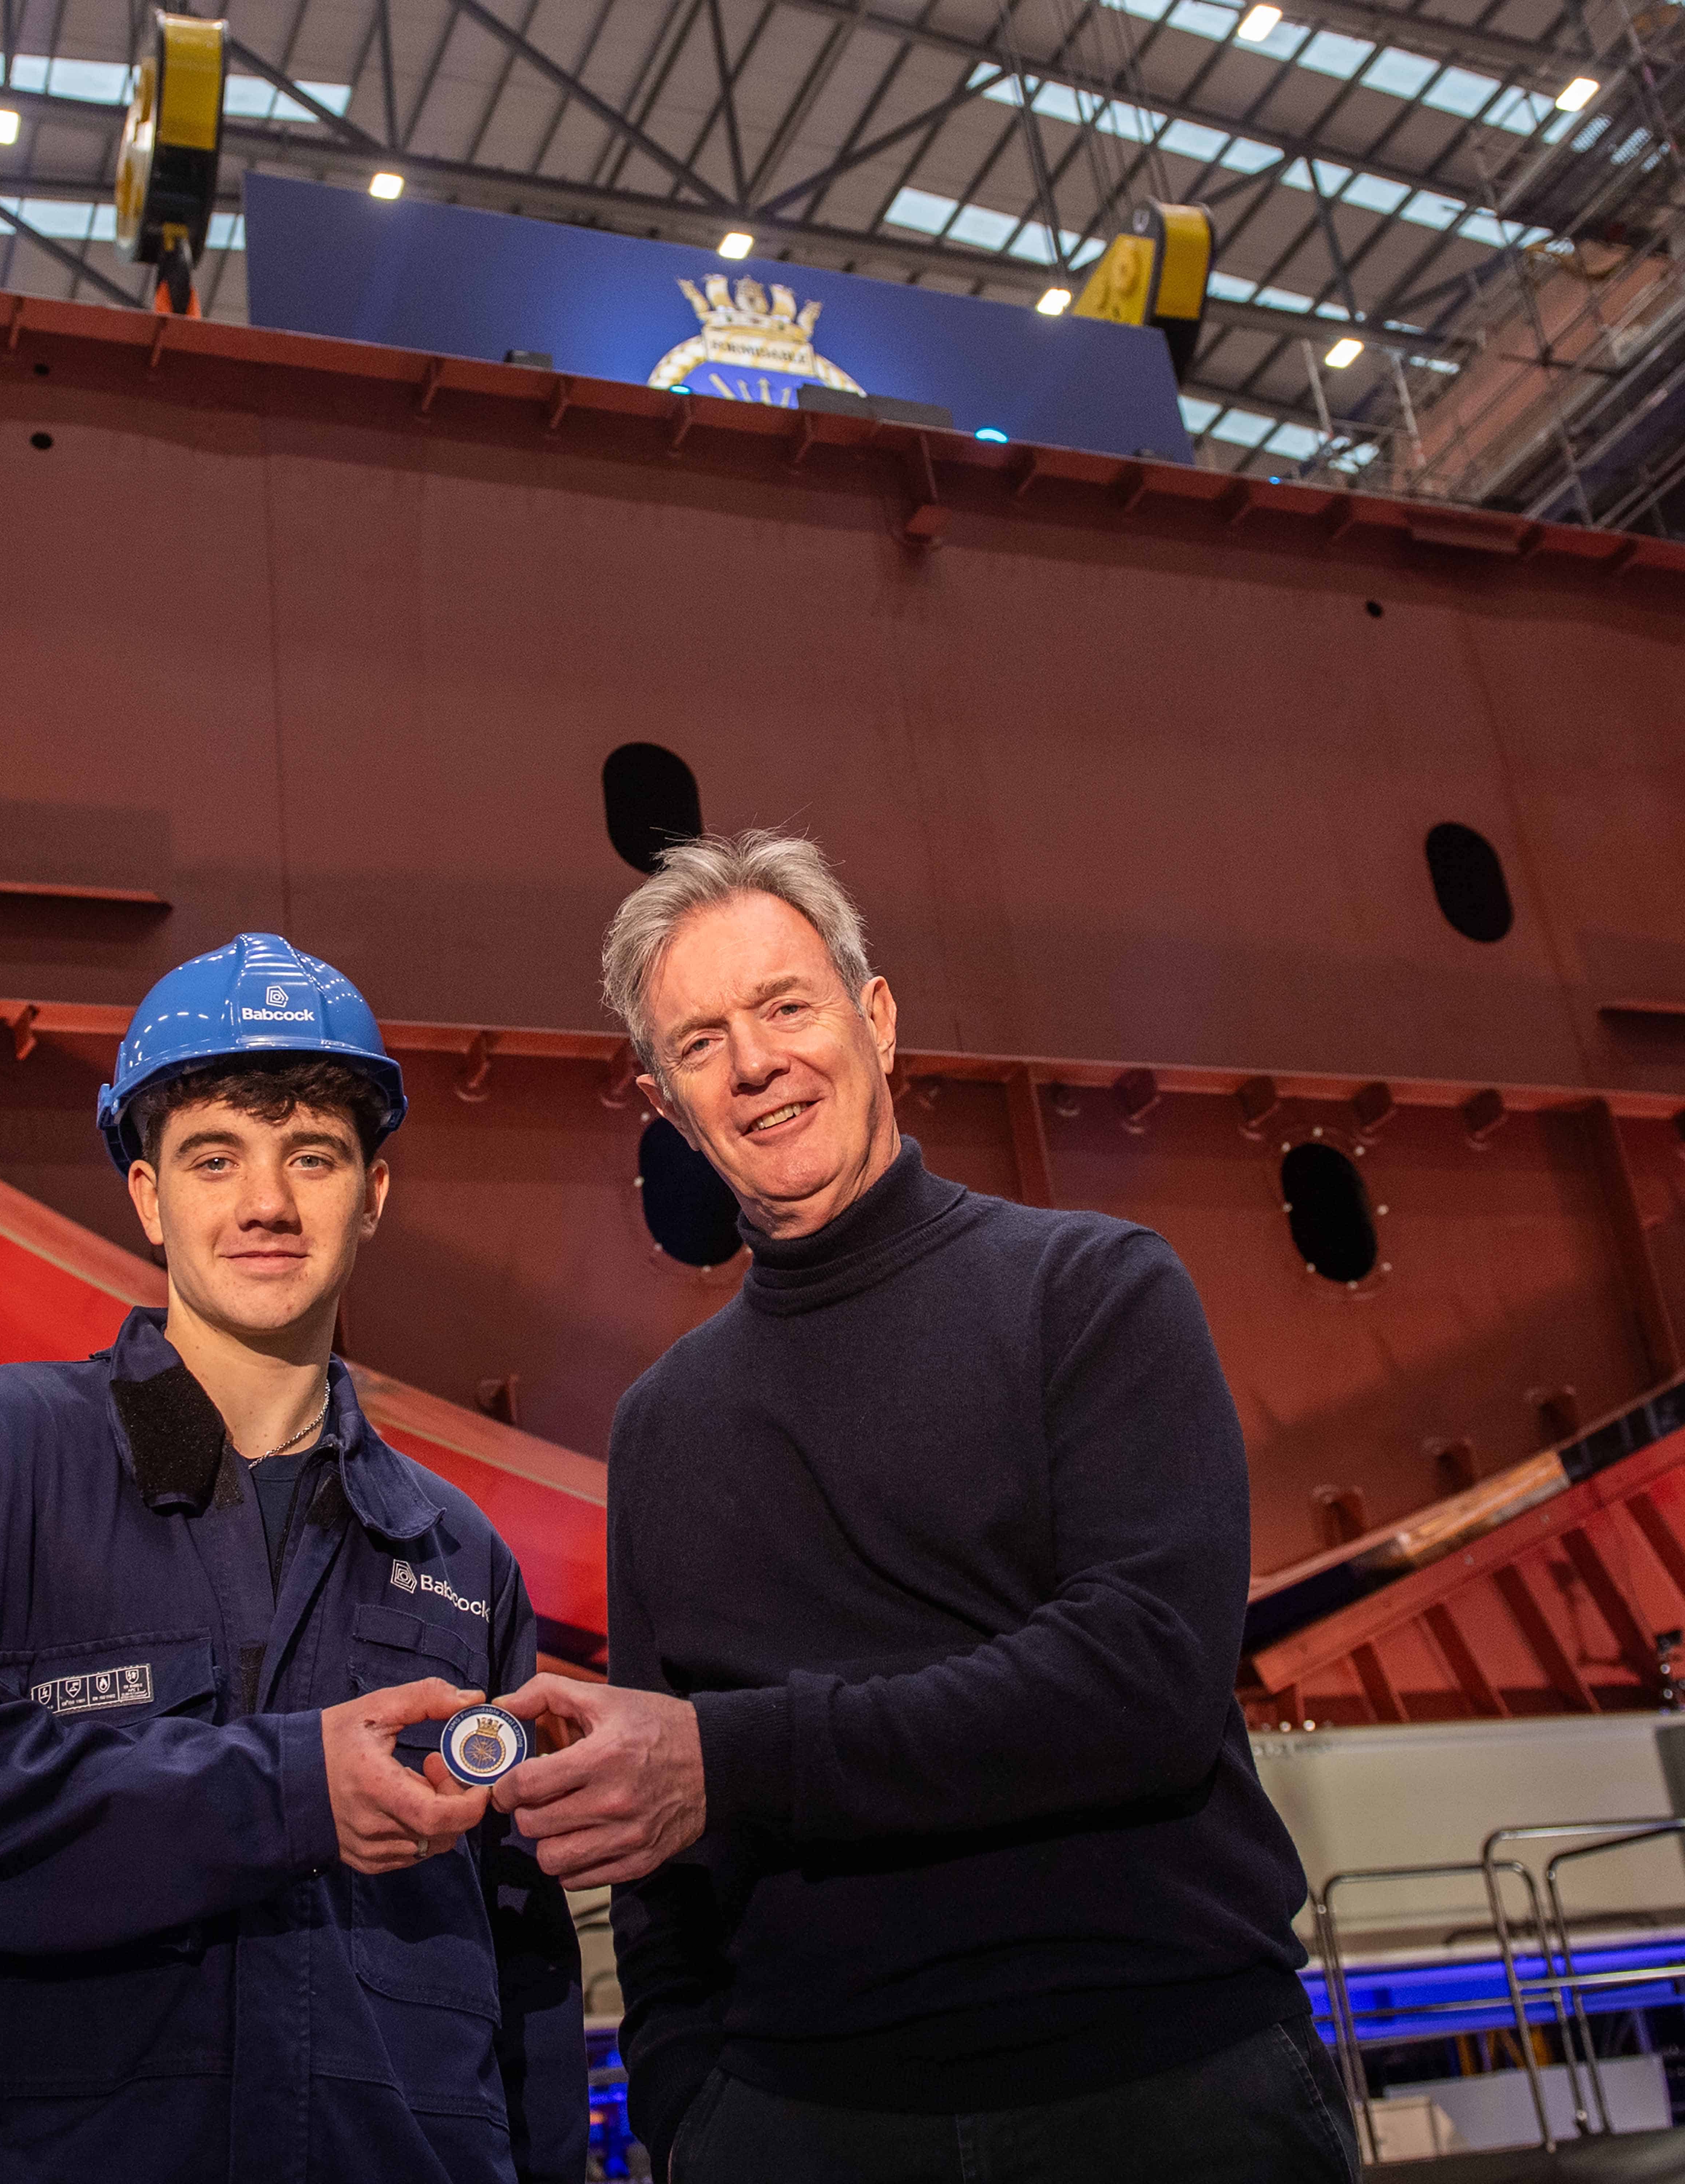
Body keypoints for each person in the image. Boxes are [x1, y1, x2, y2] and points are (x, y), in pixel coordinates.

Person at [490, 833, 1351, 2184]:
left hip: (1165, 2093)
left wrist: (733, 1760)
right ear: (666, 1104)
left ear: (876, 1019)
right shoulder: (663, 1426)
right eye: (703, 1043)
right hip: (800, 2128)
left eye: (786, 1006)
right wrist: (689, 2106)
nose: (757, 1063)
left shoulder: (1096, 1291)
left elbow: (1143, 1684)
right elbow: (665, 1858)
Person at [0, 933, 585, 2184]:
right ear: (151, 1196)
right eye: (216, 1158)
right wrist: (287, 1789)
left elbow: (521, 1957)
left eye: (312, 1156)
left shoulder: (458, 1553)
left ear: (373, 1193)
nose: (267, 1203)